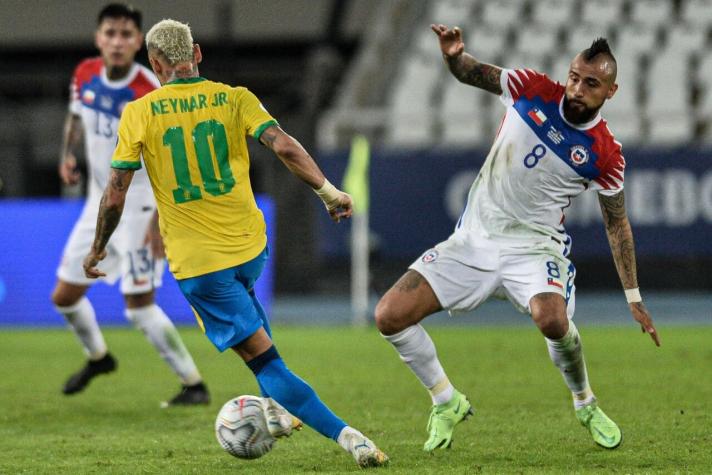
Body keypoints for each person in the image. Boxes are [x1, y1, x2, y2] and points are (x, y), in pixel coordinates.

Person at [82, 19, 388, 468]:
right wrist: (330, 192)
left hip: (201, 265)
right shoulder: (235, 97)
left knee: (266, 364)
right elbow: (283, 146)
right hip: (250, 249)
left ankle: (349, 437)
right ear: (198, 54)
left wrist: (98, 247)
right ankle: (278, 414)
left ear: (154, 64)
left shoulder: (140, 112)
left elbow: (116, 191)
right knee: (264, 344)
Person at [375, 24, 661, 452]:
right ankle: (445, 400)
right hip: (473, 241)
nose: (578, 88)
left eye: (592, 83)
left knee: (552, 319)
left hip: (535, 247)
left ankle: (585, 402)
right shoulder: (530, 88)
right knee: (389, 315)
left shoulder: (605, 153)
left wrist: (634, 296)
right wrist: (453, 56)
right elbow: (471, 73)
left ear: (611, 91)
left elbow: (616, 223)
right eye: (575, 77)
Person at [52, 3, 209, 407]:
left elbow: (172, 159)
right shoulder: (84, 74)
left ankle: (193, 384)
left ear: (139, 42)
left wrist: (160, 218)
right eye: (110, 33)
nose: (118, 42)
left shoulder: (151, 91)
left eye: (126, 35)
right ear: (98, 38)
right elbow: (75, 117)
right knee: (64, 298)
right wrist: (68, 155)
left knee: (139, 308)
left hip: (141, 209)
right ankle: (99, 358)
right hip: (98, 206)